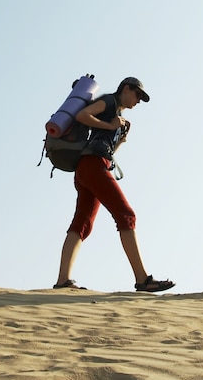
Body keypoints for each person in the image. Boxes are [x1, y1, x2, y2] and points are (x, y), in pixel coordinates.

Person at [54, 77, 175, 293]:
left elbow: (108, 153)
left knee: (82, 223)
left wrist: (119, 139)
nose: (138, 101)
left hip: (90, 168)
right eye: (137, 95)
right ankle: (142, 279)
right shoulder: (109, 102)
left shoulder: (119, 116)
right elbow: (83, 115)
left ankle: (63, 280)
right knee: (126, 214)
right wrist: (110, 125)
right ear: (125, 89)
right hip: (92, 165)